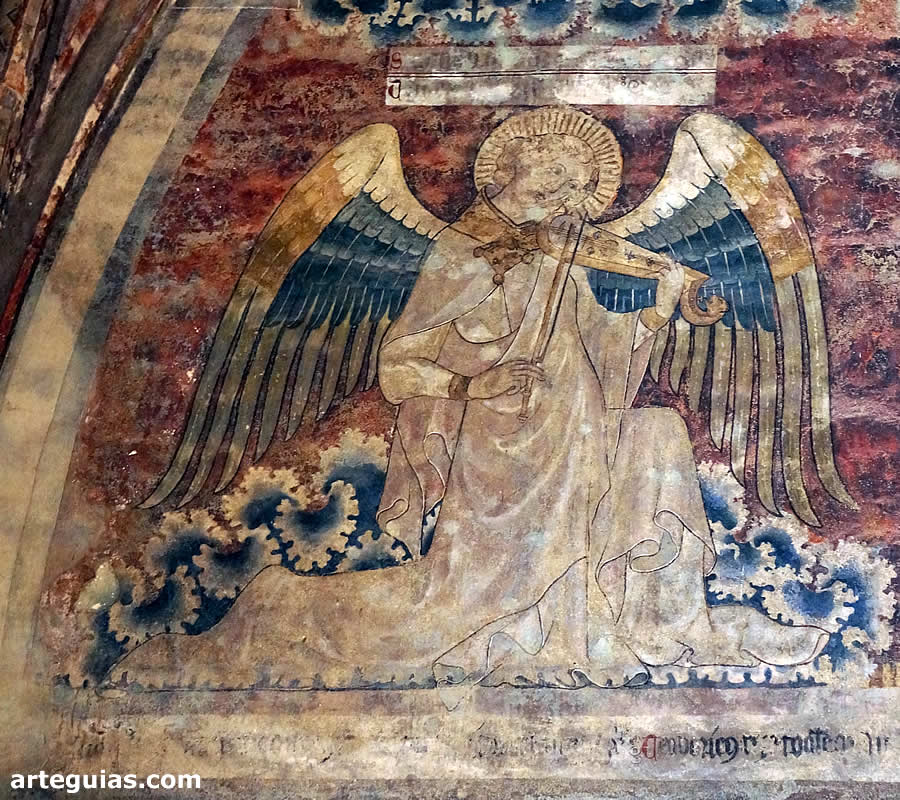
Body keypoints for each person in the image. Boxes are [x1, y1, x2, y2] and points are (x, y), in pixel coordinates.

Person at [114, 110, 827, 691]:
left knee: (658, 432)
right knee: (448, 602)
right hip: (498, 439)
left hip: (576, 423)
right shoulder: (460, 252)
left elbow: (601, 351)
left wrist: (661, 306)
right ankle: (298, 609)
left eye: (577, 185)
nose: (569, 195)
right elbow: (401, 362)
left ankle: (666, 626)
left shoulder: (559, 254)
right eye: (557, 175)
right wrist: (471, 385)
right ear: (512, 169)